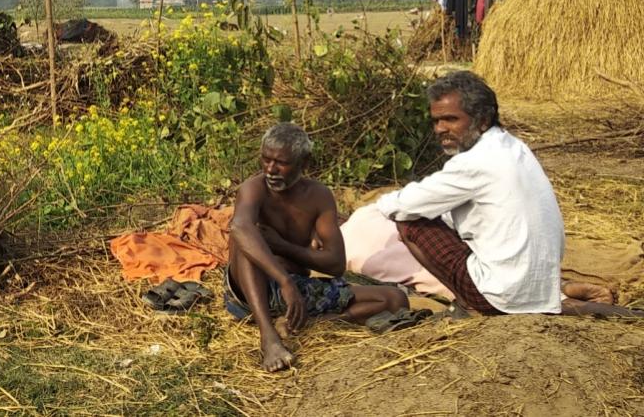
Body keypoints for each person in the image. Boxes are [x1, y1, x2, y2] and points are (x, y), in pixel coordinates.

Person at [227, 123, 410, 372]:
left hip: (296, 294)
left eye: (281, 163)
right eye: (266, 160)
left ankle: (312, 323)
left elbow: (335, 263)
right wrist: (283, 281)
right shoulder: (254, 188)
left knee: (395, 299)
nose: (271, 169)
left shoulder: (319, 196)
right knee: (246, 236)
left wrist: (283, 247)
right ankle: (268, 337)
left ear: (305, 163)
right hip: (251, 292)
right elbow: (239, 228)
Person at [377, 71, 563, 315]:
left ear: (483, 120)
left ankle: (470, 304)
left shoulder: (475, 162)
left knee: (409, 223)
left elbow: (403, 206)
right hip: (542, 288)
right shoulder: (515, 146)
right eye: (436, 121)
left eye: (450, 119)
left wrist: (381, 202)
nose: (440, 129)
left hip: (503, 296)